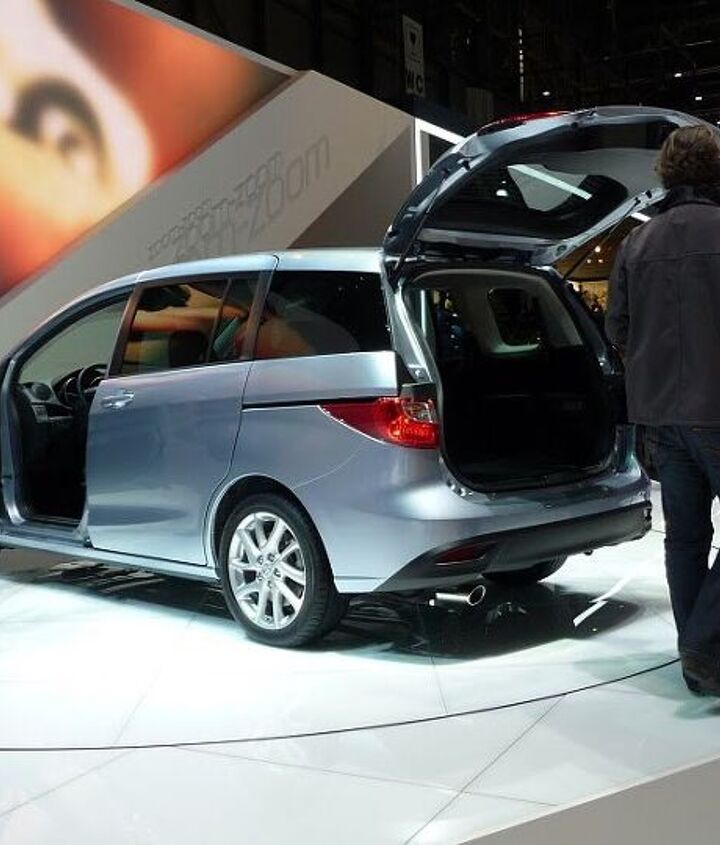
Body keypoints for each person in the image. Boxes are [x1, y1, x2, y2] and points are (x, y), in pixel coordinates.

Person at [606, 124, 720, 696]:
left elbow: (617, 328)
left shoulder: (637, 242)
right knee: (686, 538)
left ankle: (698, 662)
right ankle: (702, 645)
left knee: (685, 538)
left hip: (659, 414)